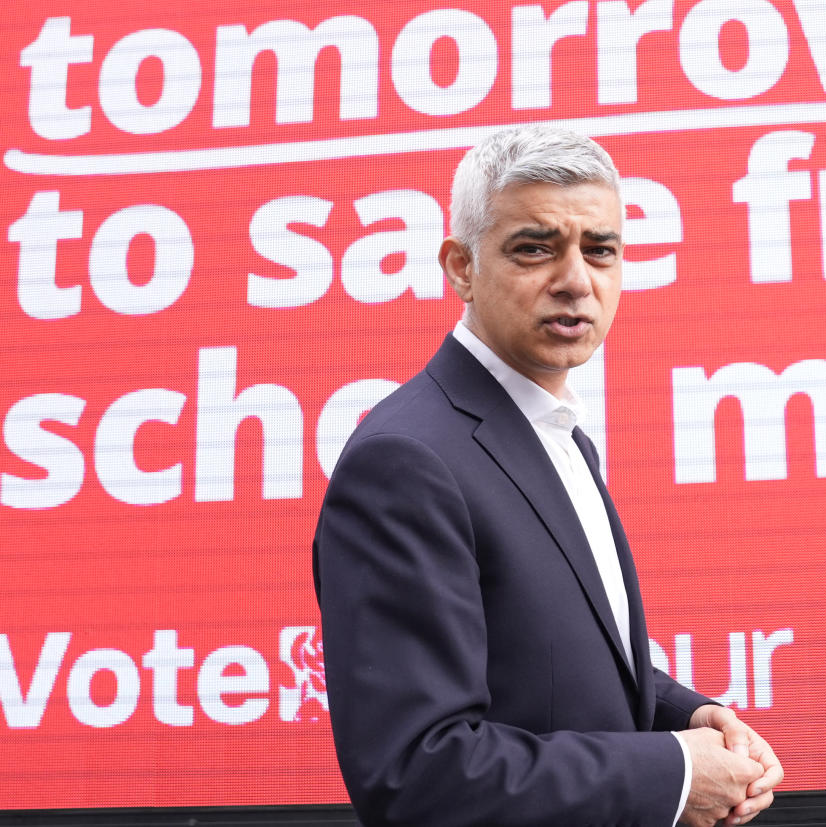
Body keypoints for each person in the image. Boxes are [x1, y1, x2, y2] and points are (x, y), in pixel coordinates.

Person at [313, 126, 782, 827]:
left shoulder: (554, 433)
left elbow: (555, 667)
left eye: (601, 250)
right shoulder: (406, 461)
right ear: (461, 266)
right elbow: (419, 774)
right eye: (535, 247)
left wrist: (689, 717)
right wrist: (677, 772)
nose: (575, 279)